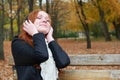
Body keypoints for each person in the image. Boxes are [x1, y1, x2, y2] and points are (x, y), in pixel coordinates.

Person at [11, 9, 70, 80]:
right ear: (29, 23)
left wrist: (50, 38)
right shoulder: (18, 43)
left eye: (48, 20)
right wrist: (35, 34)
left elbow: (63, 62)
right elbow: (42, 55)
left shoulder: (48, 44)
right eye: (39, 18)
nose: (45, 21)